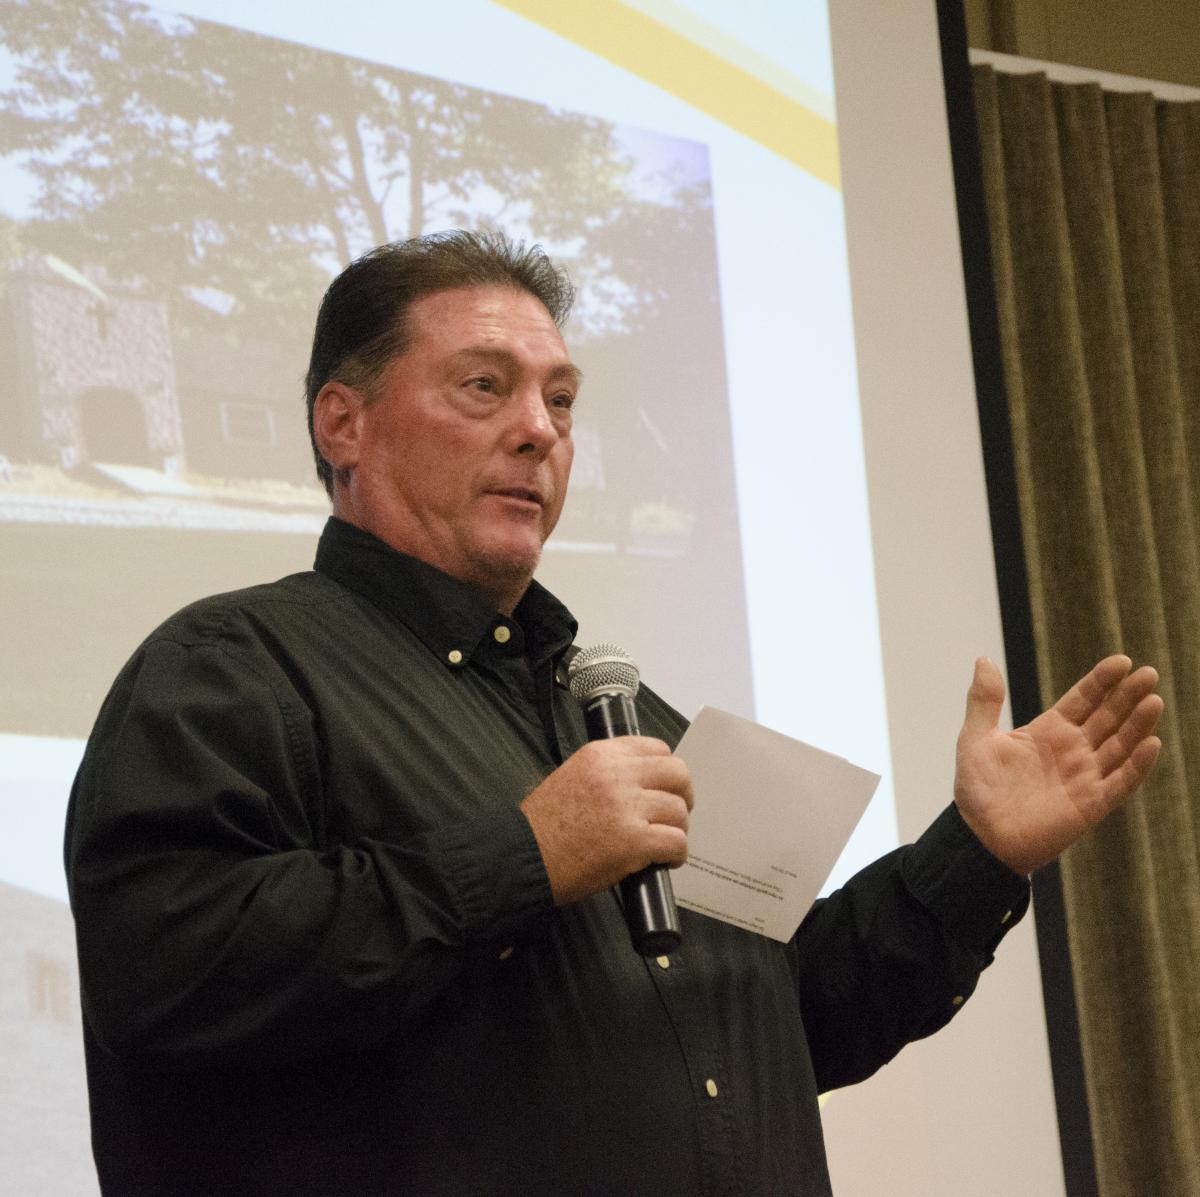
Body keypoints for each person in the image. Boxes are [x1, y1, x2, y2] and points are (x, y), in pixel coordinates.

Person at [65, 231, 1163, 1196]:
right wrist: (523, 857)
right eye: (485, 387)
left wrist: (974, 856)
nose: (540, 431)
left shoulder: (621, 715)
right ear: (342, 425)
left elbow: (787, 1019)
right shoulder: (234, 670)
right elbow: (168, 979)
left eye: (561, 399)